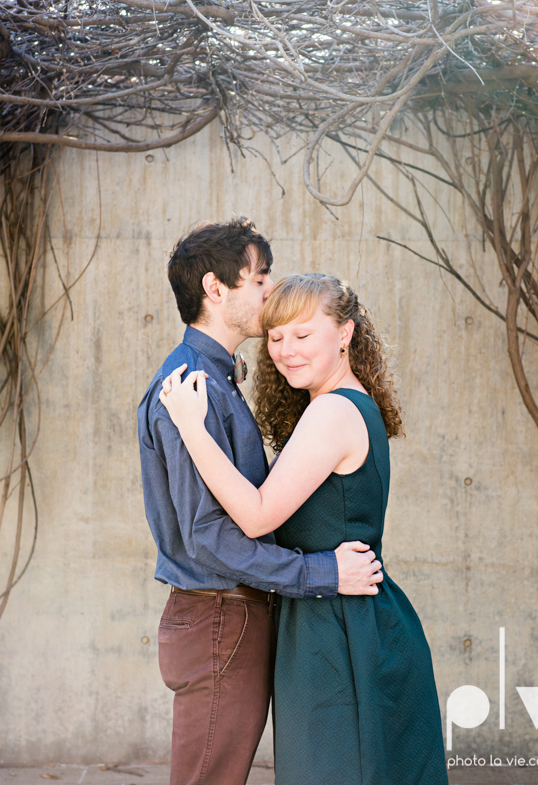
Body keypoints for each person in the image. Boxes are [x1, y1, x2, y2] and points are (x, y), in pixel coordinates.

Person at [159, 272, 449, 785]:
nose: (286, 350)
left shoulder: (333, 413)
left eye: (303, 334)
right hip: (341, 618)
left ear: (345, 334)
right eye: (276, 337)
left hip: (338, 632)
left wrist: (190, 426)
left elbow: (256, 514)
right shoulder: (339, 403)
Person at [137, 221, 384, 785]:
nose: (270, 293)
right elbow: (210, 536)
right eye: (261, 279)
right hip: (219, 615)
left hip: (233, 616)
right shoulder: (189, 389)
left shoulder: (218, 381)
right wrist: (319, 571)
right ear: (216, 288)